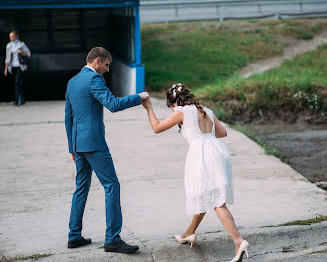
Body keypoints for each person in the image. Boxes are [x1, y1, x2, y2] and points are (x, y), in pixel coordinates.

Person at [141, 83, 249, 262]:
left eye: (171, 108)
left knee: (217, 202)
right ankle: (189, 233)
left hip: (202, 154)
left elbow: (157, 127)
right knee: (205, 195)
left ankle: (239, 242)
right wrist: (205, 131)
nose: (172, 112)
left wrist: (149, 108)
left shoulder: (181, 111)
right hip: (217, 150)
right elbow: (222, 133)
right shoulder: (205, 110)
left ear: (174, 104)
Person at [64, 47, 149, 253]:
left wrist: (72, 148)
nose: (108, 70)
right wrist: (139, 97)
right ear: (98, 60)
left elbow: (68, 117)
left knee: (81, 188)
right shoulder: (95, 80)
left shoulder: (73, 81)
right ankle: (112, 239)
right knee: (112, 186)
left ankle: (74, 236)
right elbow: (112, 104)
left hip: (78, 143)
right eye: (107, 65)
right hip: (94, 143)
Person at [4, 30, 31, 105]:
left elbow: (29, 53)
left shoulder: (21, 44)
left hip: (20, 66)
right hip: (12, 67)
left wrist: (22, 52)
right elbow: (7, 58)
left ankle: (16, 101)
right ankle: (22, 100)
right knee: (18, 83)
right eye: (10, 37)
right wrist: (6, 69)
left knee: (16, 82)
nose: (10, 38)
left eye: (12, 36)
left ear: (16, 36)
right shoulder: (8, 46)